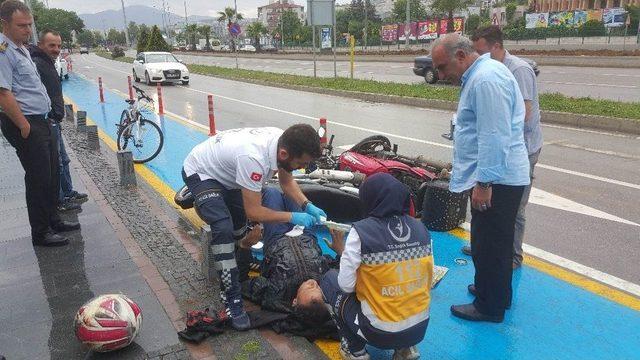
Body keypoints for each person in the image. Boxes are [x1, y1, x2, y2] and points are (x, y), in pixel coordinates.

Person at [182, 125, 325, 330]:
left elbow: (286, 182)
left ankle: (235, 265)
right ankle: (231, 297)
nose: (302, 167)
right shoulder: (254, 159)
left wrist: (306, 205)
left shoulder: (282, 143)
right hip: (202, 172)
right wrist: (292, 216)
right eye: (301, 163)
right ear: (284, 154)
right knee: (223, 227)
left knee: (241, 230)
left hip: (230, 175)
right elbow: (254, 211)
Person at [430, 34, 530, 323]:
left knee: (490, 244)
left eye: (442, 67)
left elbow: (493, 134)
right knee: (492, 242)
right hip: (499, 177)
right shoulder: (483, 75)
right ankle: (495, 291)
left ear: (461, 55)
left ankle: (490, 306)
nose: (440, 75)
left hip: (497, 180)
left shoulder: (485, 80)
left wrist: (484, 183)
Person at [321, 173, 434, 360]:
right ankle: (406, 349)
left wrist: (344, 254)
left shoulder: (362, 231)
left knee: (330, 281)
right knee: (406, 290)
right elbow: (424, 278)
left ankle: (355, 350)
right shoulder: (422, 229)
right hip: (419, 328)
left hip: (378, 332)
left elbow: (346, 285)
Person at [460, 26, 543, 269]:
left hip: (522, 149)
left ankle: (512, 257)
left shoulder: (518, 70)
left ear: (496, 46)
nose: (478, 57)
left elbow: (523, 115)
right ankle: (483, 248)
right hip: (501, 150)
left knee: (512, 210)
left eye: (481, 51)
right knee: (487, 212)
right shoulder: (489, 69)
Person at [0, 0, 78, 247]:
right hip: (27, 123)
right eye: (21, 25)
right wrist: (24, 125)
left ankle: (53, 219)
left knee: (53, 174)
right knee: (38, 178)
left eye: (29, 25)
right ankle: (41, 232)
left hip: (42, 121)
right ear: (4, 24)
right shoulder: (3, 51)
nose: (27, 30)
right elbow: (3, 93)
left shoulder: (21, 48)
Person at [241, 187, 341, 323]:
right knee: (291, 193)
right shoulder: (325, 281)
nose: (314, 284)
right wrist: (340, 250)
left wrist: (245, 245)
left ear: (295, 301)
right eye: (318, 289)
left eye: (309, 288)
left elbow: (241, 282)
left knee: (271, 192)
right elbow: (343, 268)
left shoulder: (275, 292)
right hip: (305, 234)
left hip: (277, 238)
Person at [28, 29, 87, 213]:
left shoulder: (48, 62)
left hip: (54, 119)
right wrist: (52, 115)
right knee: (57, 163)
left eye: (58, 46)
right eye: (51, 45)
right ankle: (60, 200)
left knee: (64, 160)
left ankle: (67, 192)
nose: (56, 49)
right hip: (48, 120)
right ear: (41, 45)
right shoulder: (38, 64)